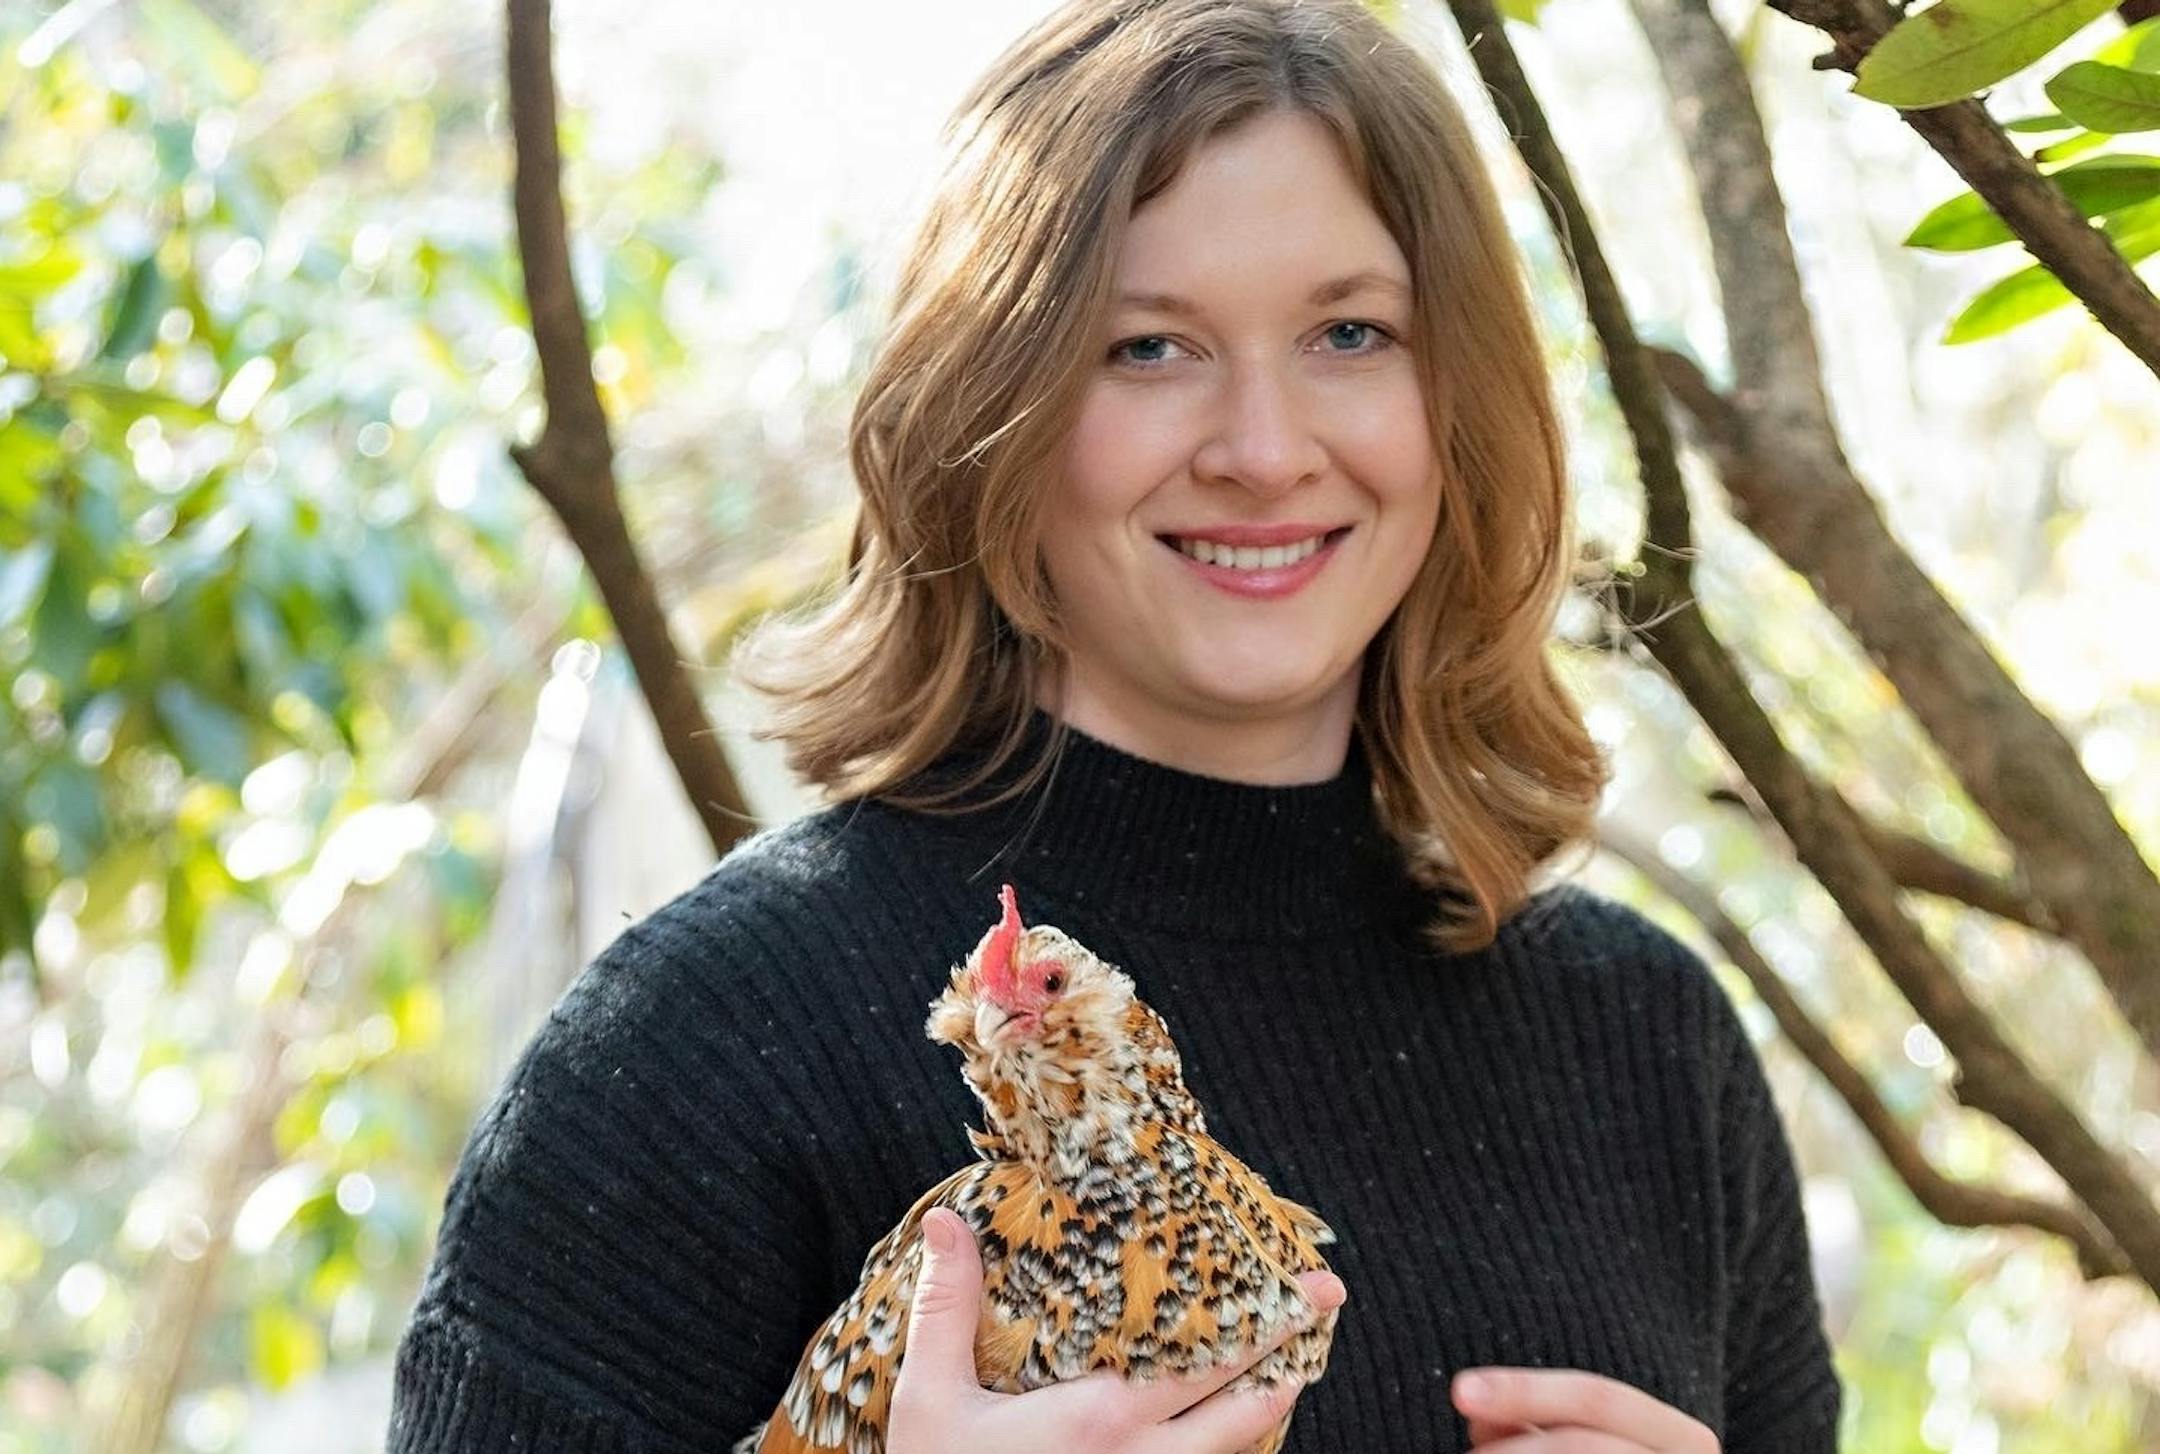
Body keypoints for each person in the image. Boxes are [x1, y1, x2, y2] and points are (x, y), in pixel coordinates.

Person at [387, 0, 1843, 1449]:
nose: (1264, 451)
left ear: (1459, 395)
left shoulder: (1652, 1048)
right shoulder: (693, 1056)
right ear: (991, 405)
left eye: (1351, 332)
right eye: (1149, 348)